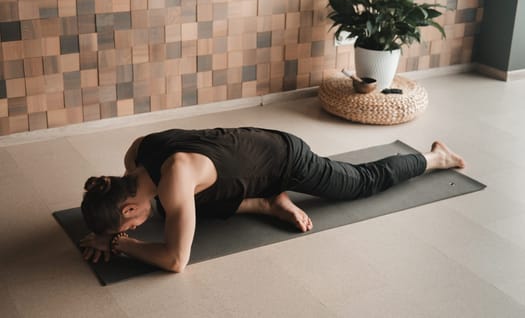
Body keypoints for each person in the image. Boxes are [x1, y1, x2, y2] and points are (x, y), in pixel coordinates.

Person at [80, 127, 465, 272]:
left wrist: (120, 242)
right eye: (129, 228)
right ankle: (268, 202)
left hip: (285, 158)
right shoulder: (135, 155)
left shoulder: (175, 177)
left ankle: (434, 158)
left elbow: (176, 261)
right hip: (247, 151)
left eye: (130, 222)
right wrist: (115, 230)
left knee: (360, 182)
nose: (135, 226)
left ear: (128, 207)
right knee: (175, 210)